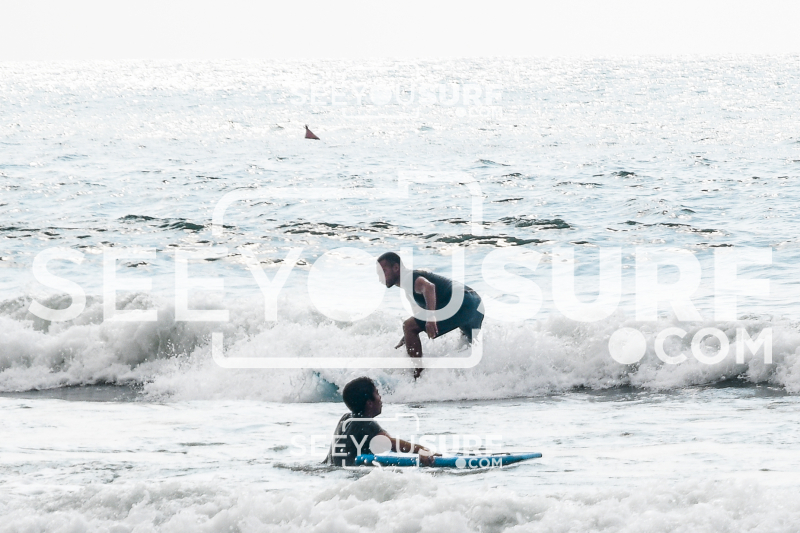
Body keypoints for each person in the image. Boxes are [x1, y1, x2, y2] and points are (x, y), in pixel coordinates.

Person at [377, 252, 484, 379]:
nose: (380, 278)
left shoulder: (409, 278)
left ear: (396, 267)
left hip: (462, 302)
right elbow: (417, 321)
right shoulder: (409, 288)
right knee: (471, 346)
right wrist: (406, 337)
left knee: (408, 326)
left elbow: (429, 287)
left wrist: (431, 317)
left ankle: (418, 377)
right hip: (475, 303)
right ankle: (483, 376)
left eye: (383, 271)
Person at [325, 377, 436, 466]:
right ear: (369, 403)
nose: (380, 397)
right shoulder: (365, 423)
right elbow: (391, 444)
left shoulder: (346, 419)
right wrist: (422, 449)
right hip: (348, 474)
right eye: (377, 393)